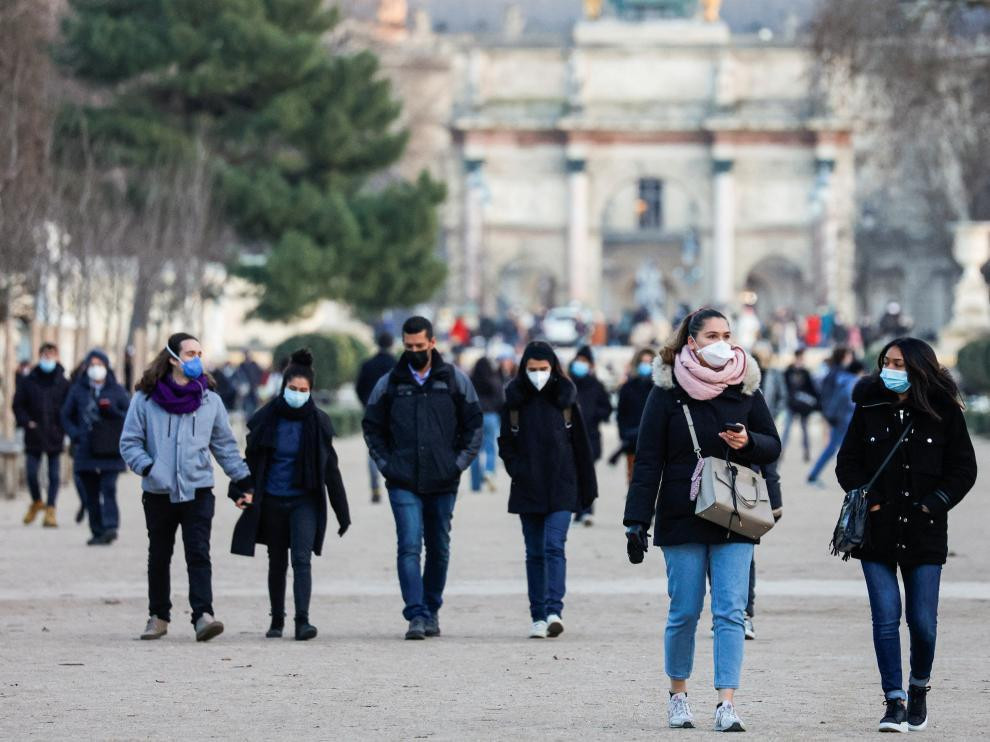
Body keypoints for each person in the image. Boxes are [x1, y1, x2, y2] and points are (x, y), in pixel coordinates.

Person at [624, 308, 781, 733]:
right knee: (685, 610)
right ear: (691, 341)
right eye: (712, 334)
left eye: (727, 334)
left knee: (730, 611)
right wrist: (636, 520)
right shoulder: (667, 390)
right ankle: (678, 694)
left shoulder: (746, 385)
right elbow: (648, 459)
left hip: (736, 513)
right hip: (681, 510)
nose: (722, 342)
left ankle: (726, 702)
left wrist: (748, 442)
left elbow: (772, 446)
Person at [835, 338, 977, 733]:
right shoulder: (868, 407)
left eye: (898, 362)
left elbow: (965, 468)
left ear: (918, 367)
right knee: (885, 617)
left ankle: (918, 688)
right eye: (886, 362)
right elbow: (847, 464)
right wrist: (873, 499)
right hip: (876, 533)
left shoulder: (943, 411)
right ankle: (893, 701)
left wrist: (935, 503)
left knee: (923, 622)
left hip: (925, 531)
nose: (890, 369)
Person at [120, 332, 254, 643]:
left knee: (198, 553)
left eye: (199, 353)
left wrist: (243, 478)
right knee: (159, 554)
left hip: (198, 488)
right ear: (173, 359)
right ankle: (158, 616)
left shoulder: (210, 400)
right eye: (190, 353)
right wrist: (149, 468)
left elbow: (224, 445)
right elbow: (129, 442)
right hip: (158, 492)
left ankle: (203, 616)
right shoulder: (145, 399)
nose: (197, 359)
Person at [362, 316, 483, 640]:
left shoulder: (454, 380)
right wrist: (387, 464)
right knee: (409, 545)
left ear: (432, 343)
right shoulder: (390, 383)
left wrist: (457, 464)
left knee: (439, 547)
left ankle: (432, 609)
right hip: (403, 478)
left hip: (443, 478)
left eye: (420, 345)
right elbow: (372, 426)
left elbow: (474, 424)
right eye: (409, 346)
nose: (414, 351)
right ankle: (415, 614)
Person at [230, 349, 351, 641]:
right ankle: (276, 620)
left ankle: (303, 621)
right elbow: (251, 462)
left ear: (311, 391)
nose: (297, 394)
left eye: (303, 391)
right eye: (292, 389)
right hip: (271, 499)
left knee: (301, 559)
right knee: (277, 561)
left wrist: (341, 511)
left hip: (304, 500)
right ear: (283, 387)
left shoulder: (318, 423)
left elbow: (330, 469)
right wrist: (239, 490)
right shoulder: (266, 420)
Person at [499, 342, 597, 638]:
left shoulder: (566, 399)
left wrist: (586, 491)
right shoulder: (514, 401)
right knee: (534, 552)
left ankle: (554, 609)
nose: (538, 375)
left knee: (554, 546)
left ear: (553, 368)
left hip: (562, 486)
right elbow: (505, 443)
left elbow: (581, 446)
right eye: (532, 370)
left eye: (543, 369)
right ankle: (537, 615)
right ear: (523, 369)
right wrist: (517, 469)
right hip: (527, 487)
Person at [60, 350, 130, 544]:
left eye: (99, 364)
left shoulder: (117, 390)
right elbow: (65, 415)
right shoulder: (78, 390)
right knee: (90, 492)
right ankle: (97, 530)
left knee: (108, 488)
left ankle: (110, 527)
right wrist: (75, 434)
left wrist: (112, 410)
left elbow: (130, 417)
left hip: (110, 449)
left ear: (107, 367)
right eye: (92, 364)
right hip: (86, 449)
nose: (95, 368)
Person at [14, 343, 71, 528]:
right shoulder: (28, 380)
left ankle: (50, 509)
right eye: (45, 354)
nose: (48, 358)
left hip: (55, 434)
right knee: (31, 473)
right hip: (34, 434)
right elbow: (18, 405)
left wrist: (63, 426)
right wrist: (26, 422)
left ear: (57, 357)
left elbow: (69, 408)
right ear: (39, 356)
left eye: (51, 354)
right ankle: (37, 501)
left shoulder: (63, 382)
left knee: (54, 476)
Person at [568, 345, 611, 526]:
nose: (581, 364)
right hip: (569, 437)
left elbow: (607, 408)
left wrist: (595, 414)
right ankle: (577, 510)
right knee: (572, 475)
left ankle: (586, 510)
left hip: (591, 436)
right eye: (579, 361)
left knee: (587, 474)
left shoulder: (597, 385)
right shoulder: (566, 384)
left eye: (585, 362)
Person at [807, 358, 864, 486]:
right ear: (859, 371)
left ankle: (813, 475)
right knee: (837, 449)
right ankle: (813, 476)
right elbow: (851, 402)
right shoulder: (851, 382)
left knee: (833, 449)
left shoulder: (842, 379)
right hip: (844, 421)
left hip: (839, 420)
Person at [355, 332, 397, 504]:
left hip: (371, 412)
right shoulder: (396, 365)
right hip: (392, 413)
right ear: (392, 344)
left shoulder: (367, 364)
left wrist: (365, 403)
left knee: (373, 450)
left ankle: (375, 488)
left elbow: (359, 387)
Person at [613, 348, 656, 483]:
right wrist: (624, 435)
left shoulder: (659, 388)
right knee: (633, 481)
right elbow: (621, 414)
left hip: (655, 443)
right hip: (632, 442)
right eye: (643, 362)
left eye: (649, 362)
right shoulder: (627, 387)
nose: (646, 365)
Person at [469, 356, 505, 493]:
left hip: (475, 416)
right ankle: (489, 471)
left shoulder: (471, 381)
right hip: (491, 416)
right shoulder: (494, 380)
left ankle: (476, 484)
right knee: (490, 447)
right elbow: (501, 400)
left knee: (475, 451)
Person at [781, 348, 818, 461]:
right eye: (801, 357)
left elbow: (812, 388)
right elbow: (784, 387)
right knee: (786, 429)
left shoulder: (806, 372)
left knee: (805, 429)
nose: (802, 359)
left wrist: (815, 402)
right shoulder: (788, 371)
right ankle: (781, 452)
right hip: (791, 404)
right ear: (797, 357)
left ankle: (806, 452)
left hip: (803, 406)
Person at [238, 350, 264, 417]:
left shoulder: (254, 365)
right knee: (247, 406)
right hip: (246, 390)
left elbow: (260, 374)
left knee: (254, 405)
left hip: (254, 388)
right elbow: (239, 376)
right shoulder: (242, 366)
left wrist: (258, 383)